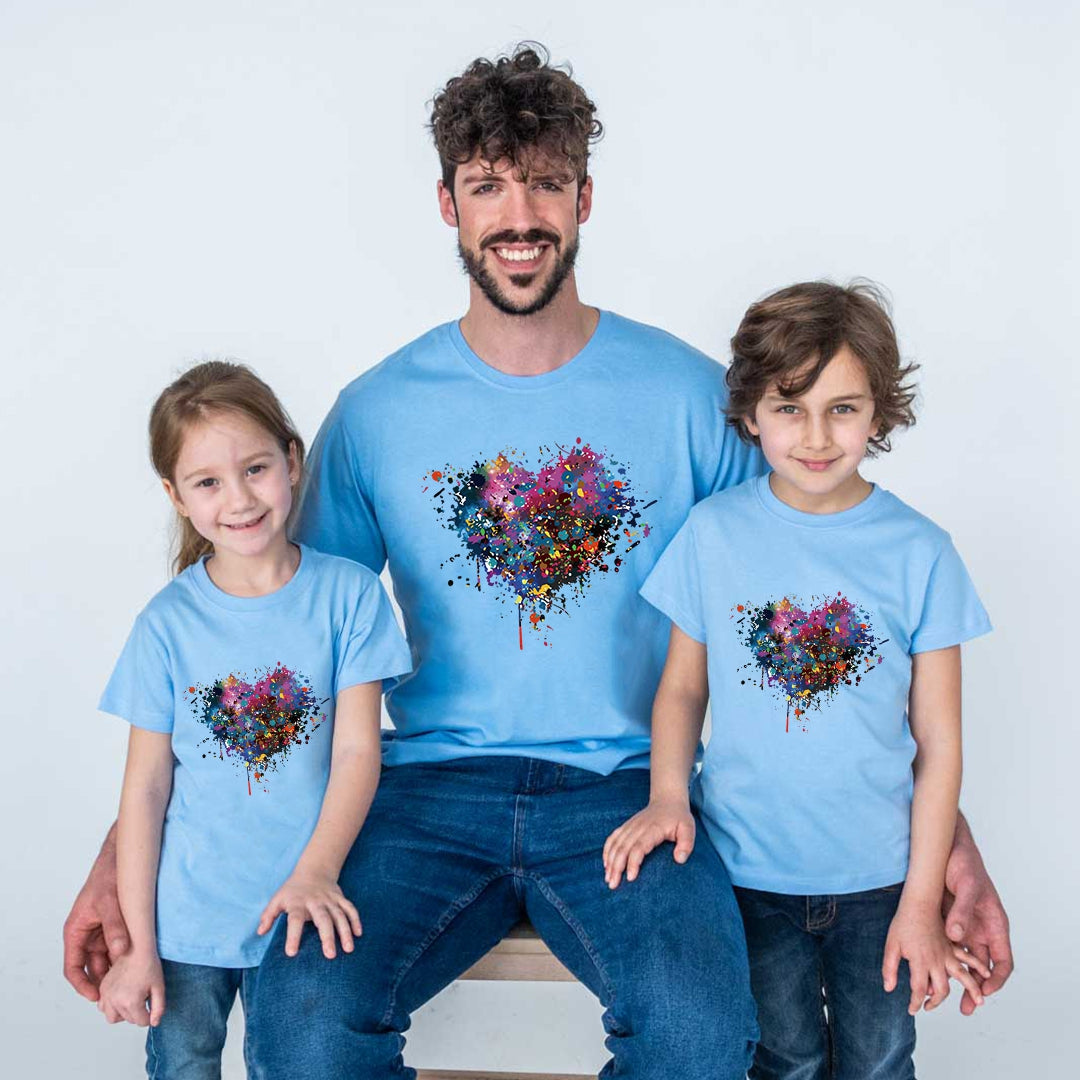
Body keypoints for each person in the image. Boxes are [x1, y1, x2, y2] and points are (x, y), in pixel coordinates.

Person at [63, 45, 1012, 1075]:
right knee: (304, 1024)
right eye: (488, 186)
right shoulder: (377, 414)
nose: (520, 216)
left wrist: (938, 842)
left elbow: (825, 594)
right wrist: (124, 860)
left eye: (547, 183)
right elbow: (260, 636)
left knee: (699, 1036)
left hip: (631, 791)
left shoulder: (692, 401)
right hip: (423, 791)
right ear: (447, 204)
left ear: (585, 198)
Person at [603, 281, 997, 1078]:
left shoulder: (921, 552)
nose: (816, 436)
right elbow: (682, 690)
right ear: (752, 413)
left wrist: (923, 901)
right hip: (745, 877)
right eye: (789, 407)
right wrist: (668, 796)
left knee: (879, 1061)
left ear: (879, 414)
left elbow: (940, 745)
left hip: (883, 882)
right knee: (782, 1061)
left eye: (842, 409)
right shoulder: (713, 533)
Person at [92, 361, 412, 1077]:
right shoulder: (166, 624)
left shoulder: (350, 597)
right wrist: (138, 946)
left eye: (255, 469)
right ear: (176, 497)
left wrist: (316, 874)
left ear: (292, 461)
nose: (238, 499)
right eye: (207, 482)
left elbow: (357, 755)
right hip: (184, 924)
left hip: (304, 914)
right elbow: (145, 790)